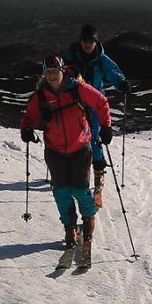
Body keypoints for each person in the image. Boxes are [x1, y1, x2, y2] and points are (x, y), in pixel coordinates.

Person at [20, 53, 114, 250]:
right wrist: (26, 129)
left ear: (62, 70)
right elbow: (29, 117)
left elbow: (101, 102)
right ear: (44, 74)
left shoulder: (77, 89)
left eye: (55, 71)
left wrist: (106, 126)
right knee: (61, 192)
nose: (52, 75)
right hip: (54, 151)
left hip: (80, 148)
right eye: (48, 72)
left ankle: (88, 218)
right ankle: (69, 226)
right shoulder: (41, 97)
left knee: (80, 190)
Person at [64, 24, 129, 208]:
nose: (87, 44)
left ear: (96, 41)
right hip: (73, 103)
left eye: (91, 41)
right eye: (85, 40)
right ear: (81, 41)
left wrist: (121, 83)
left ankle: (98, 174)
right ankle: (71, 173)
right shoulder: (71, 57)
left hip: (94, 103)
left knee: (95, 138)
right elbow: (61, 74)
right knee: (72, 137)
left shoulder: (101, 59)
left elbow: (113, 72)